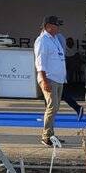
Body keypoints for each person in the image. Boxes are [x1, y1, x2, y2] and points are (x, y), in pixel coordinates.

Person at [34, 15, 67, 146]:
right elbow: (40, 61)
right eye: (56, 25)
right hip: (49, 78)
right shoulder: (42, 40)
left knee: (55, 108)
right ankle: (46, 136)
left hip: (58, 79)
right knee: (52, 107)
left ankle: (51, 135)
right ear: (48, 26)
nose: (58, 28)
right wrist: (44, 80)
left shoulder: (55, 39)